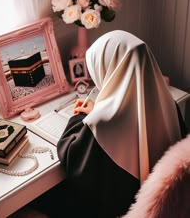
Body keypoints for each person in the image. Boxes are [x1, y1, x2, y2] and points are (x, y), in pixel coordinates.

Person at [30, 30, 187, 218]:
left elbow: (72, 155)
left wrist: (79, 117)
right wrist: (98, 111)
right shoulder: (168, 104)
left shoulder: (101, 125)